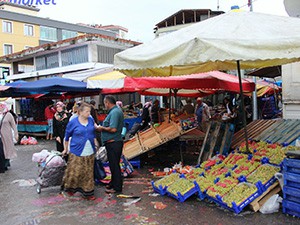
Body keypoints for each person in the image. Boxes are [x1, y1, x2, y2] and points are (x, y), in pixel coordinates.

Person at [61, 102, 97, 200]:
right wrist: (65, 149)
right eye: (86, 111)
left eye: (89, 111)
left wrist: (96, 143)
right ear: (80, 112)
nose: (88, 113)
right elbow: (67, 136)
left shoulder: (90, 120)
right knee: (75, 171)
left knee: (88, 172)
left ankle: (88, 193)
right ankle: (70, 188)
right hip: (76, 150)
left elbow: (93, 133)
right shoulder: (73, 121)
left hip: (90, 149)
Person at [96, 95, 124, 194]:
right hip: (112, 142)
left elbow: (113, 129)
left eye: (105, 103)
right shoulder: (114, 111)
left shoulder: (115, 112)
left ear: (107, 102)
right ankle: (113, 182)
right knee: (113, 165)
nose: (105, 105)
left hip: (114, 142)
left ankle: (117, 188)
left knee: (115, 165)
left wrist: (101, 128)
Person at [0, 102, 18, 173]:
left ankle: (6, 163)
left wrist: (16, 134)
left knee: (7, 148)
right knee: (1, 150)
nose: (0, 108)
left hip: (7, 134)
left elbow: (13, 125)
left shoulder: (8, 115)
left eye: (1, 106)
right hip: (0, 135)